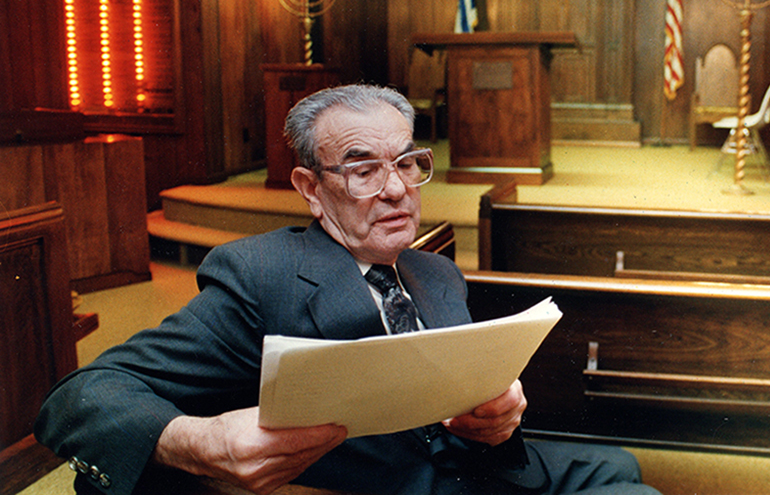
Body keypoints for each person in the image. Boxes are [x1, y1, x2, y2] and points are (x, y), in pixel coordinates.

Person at [35, 84, 659, 495]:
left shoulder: (436, 271)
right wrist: (199, 442)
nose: (396, 190)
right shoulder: (260, 275)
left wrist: (496, 419)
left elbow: (461, 404)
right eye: (364, 170)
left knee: (622, 467)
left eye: (408, 163)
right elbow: (79, 399)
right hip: (390, 484)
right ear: (310, 187)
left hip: (472, 464)